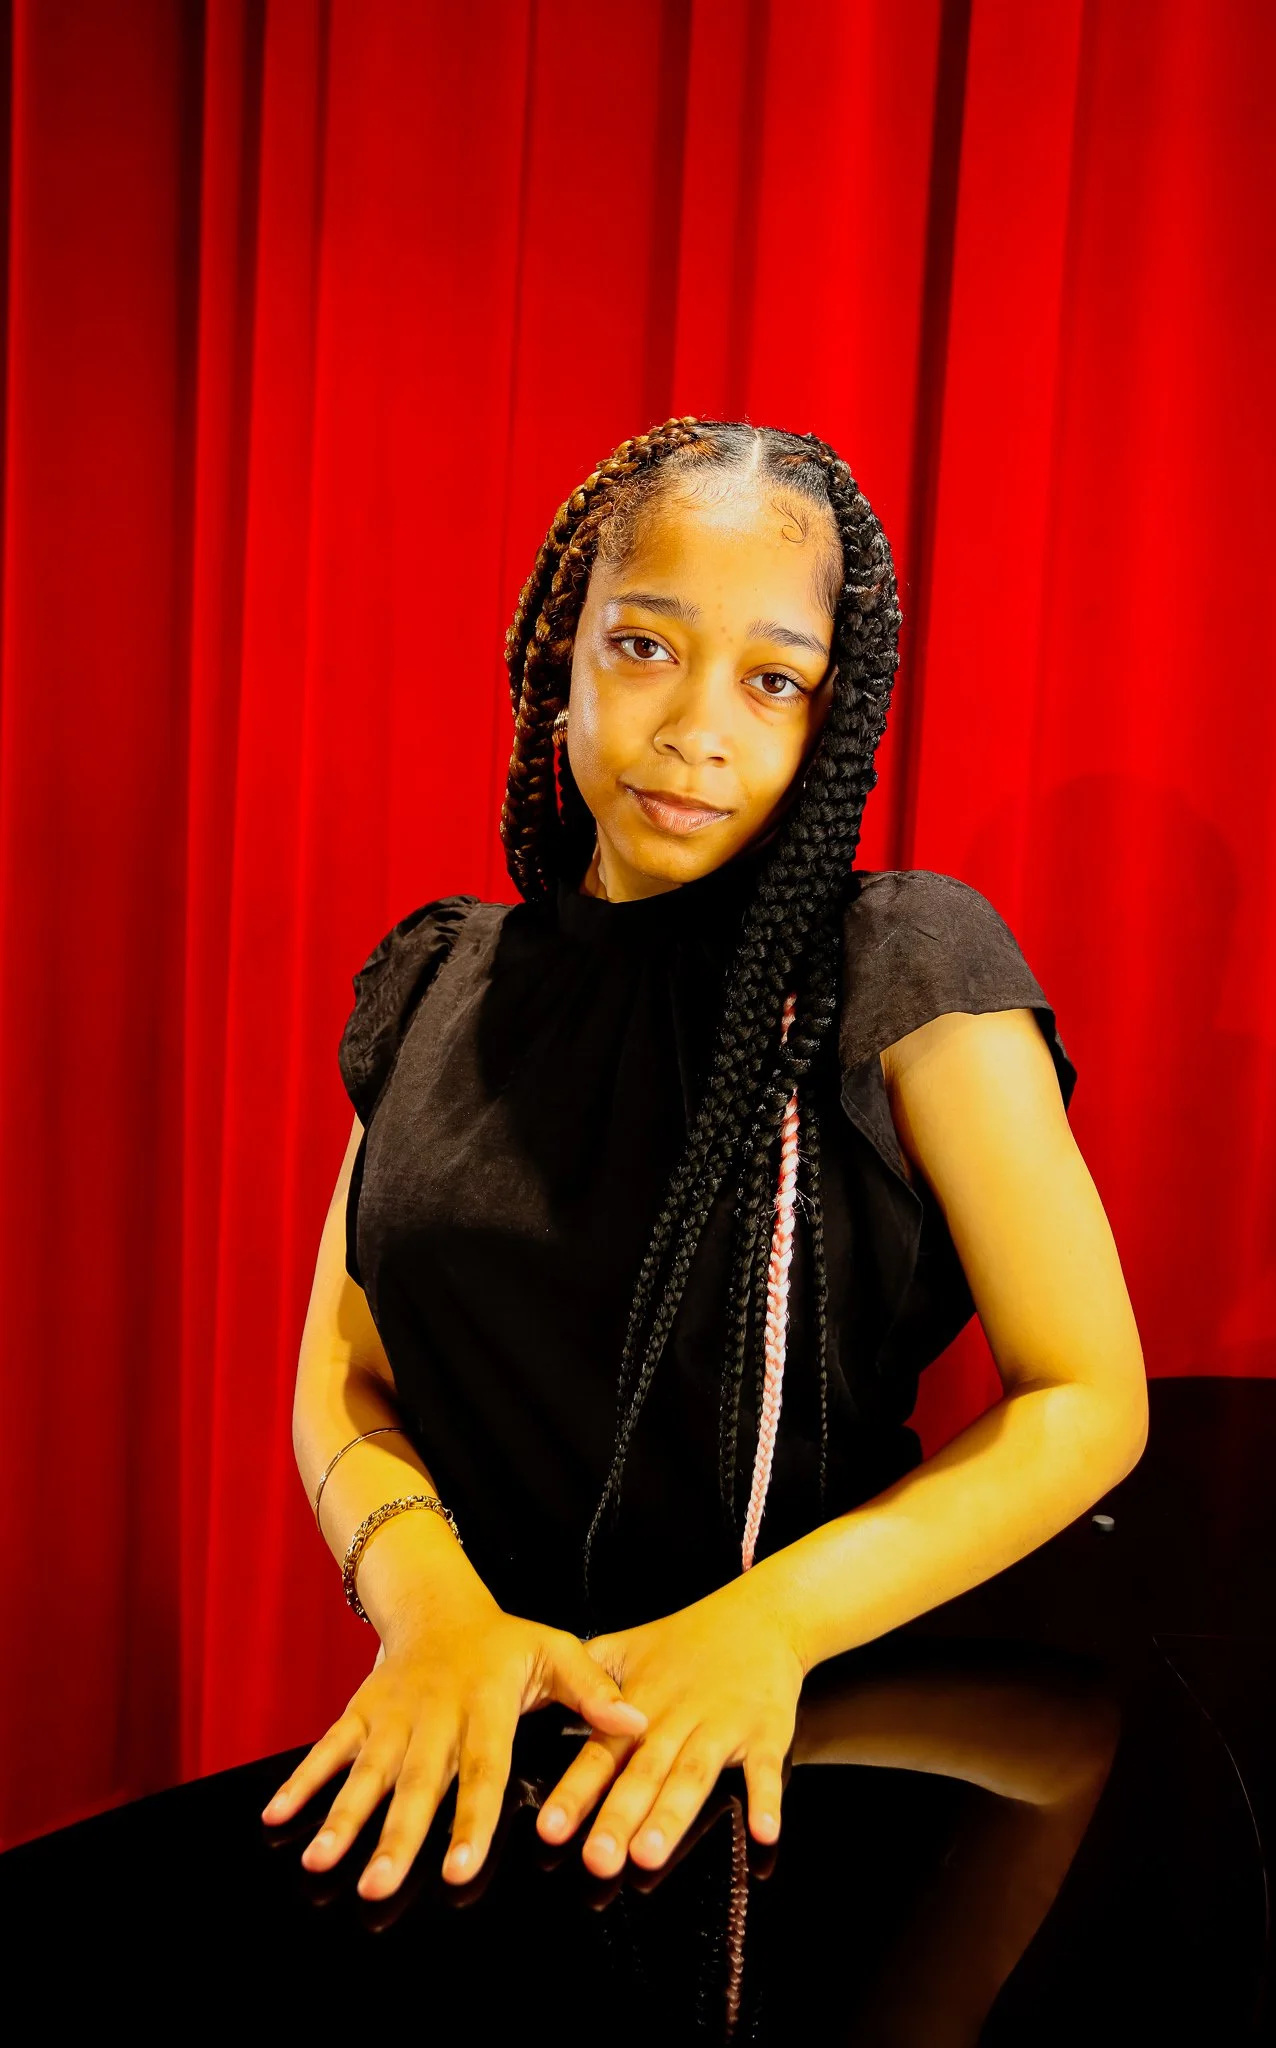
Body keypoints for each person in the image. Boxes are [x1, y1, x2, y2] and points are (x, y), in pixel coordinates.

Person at [261, 417, 1148, 1906]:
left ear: (830, 718)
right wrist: (435, 1615)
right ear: (561, 654)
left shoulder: (902, 968)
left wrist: (768, 1627)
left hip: (802, 1747)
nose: (697, 729)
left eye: (772, 679)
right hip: (472, 1743)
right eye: (645, 648)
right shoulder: (434, 983)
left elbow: (1087, 1397)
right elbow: (341, 1376)